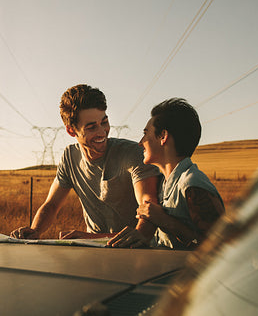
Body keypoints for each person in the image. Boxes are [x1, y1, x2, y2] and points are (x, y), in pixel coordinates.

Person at [10, 84, 160, 247]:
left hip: (137, 250)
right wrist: (35, 230)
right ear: (71, 131)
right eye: (91, 127)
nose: (102, 132)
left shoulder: (133, 153)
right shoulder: (69, 157)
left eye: (104, 122)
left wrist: (89, 238)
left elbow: (148, 213)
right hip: (94, 251)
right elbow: (51, 205)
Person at [110, 98, 224, 249]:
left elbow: (220, 248)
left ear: (163, 137)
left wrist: (165, 221)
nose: (140, 142)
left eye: (146, 133)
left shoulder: (192, 184)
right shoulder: (165, 183)